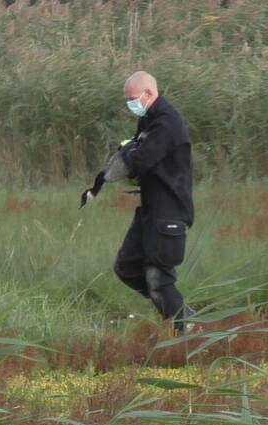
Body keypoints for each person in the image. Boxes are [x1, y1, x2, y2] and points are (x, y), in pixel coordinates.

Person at [80, 70, 195, 333]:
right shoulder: (149, 120)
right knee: (127, 267)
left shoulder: (166, 122)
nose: (131, 105)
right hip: (151, 209)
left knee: (157, 278)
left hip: (170, 211)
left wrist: (125, 157)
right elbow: (135, 151)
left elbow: (140, 160)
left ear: (150, 93)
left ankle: (187, 331)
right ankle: (180, 313)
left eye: (133, 99)